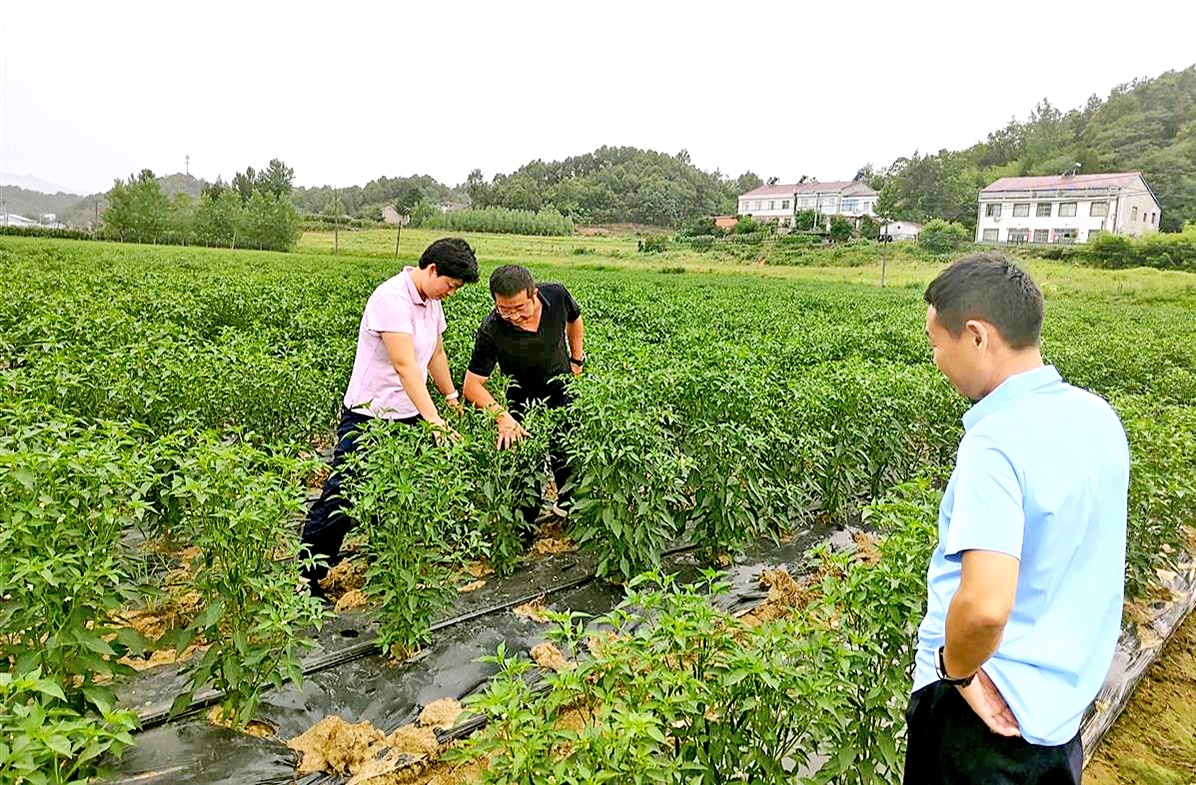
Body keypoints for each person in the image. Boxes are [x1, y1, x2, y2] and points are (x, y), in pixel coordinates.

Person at [905, 252, 1129, 784]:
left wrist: (955, 673)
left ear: (977, 336)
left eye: (938, 344)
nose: (936, 360)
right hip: (1058, 721)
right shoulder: (1096, 416)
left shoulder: (996, 442)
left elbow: (984, 605)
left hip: (984, 719)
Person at [300, 238, 479, 597]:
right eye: (451, 285)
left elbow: (435, 353)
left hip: (408, 413)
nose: (452, 293)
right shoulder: (391, 299)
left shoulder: (431, 302)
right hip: (370, 415)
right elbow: (405, 366)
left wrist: (451, 396)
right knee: (344, 495)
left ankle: (389, 562)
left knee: (400, 493)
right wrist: (435, 422)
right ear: (432, 270)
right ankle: (308, 575)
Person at [462, 265, 584, 523]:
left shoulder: (557, 295)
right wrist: (502, 417)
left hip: (562, 391)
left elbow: (575, 319)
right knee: (525, 469)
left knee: (567, 454)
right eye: (504, 309)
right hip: (521, 403)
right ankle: (524, 527)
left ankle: (569, 510)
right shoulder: (492, 329)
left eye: (519, 308)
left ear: (534, 294)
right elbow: (472, 386)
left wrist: (577, 360)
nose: (513, 316)